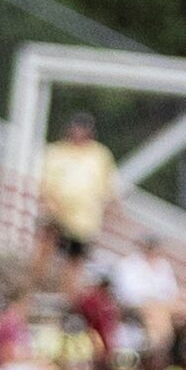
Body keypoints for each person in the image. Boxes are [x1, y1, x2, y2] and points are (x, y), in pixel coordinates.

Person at [37, 112, 115, 279]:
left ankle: (67, 297)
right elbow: (45, 183)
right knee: (44, 249)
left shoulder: (100, 155)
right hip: (57, 213)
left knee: (75, 260)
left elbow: (107, 187)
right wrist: (52, 205)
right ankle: (33, 286)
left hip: (83, 220)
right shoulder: (56, 151)